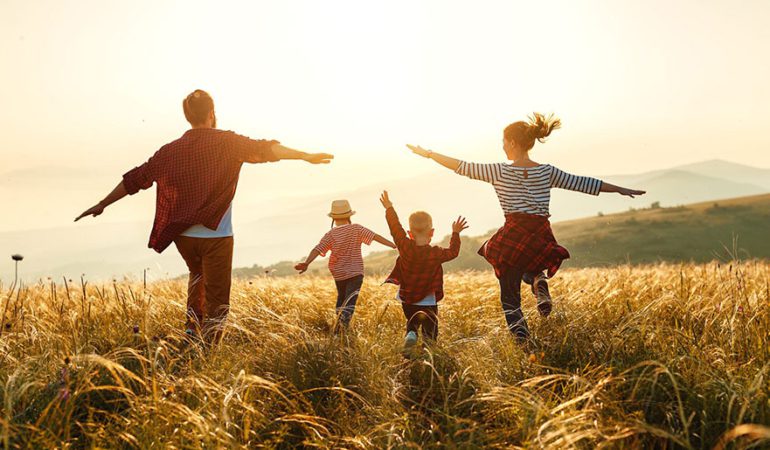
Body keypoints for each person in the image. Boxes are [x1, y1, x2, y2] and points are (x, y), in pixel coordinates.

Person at [75, 89, 333, 343]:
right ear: (211, 113)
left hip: (183, 237)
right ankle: (208, 349)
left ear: (188, 116)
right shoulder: (227, 142)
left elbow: (136, 179)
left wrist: (102, 203)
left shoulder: (169, 151)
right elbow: (265, 149)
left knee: (197, 277)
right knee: (217, 298)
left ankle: (191, 332)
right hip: (216, 236)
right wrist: (304, 156)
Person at [405, 113, 645, 341]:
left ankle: (523, 342)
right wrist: (621, 189)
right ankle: (538, 281)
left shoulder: (499, 171)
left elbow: (461, 166)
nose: (502, 146)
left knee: (509, 297)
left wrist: (428, 154)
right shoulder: (547, 171)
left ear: (511, 142)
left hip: (514, 234)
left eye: (503, 142)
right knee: (532, 264)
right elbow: (583, 183)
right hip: (540, 234)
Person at [379, 190, 468, 352]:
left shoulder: (404, 246)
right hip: (428, 300)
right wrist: (455, 233)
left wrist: (389, 208)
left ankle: (411, 334)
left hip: (408, 298)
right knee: (430, 331)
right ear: (432, 232)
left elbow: (395, 227)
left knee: (412, 322)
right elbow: (453, 252)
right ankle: (428, 353)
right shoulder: (436, 253)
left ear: (409, 233)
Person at [294, 199, 396, 332]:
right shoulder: (357, 229)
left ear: (333, 218)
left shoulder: (330, 234)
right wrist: (394, 244)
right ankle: (342, 329)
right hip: (355, 273)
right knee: (350, 301)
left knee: (341, 299)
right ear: (349, 215)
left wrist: (307, 263)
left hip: (339, 274)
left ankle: (338, 328)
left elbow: (318, 249)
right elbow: (375, 237)